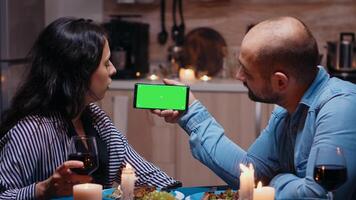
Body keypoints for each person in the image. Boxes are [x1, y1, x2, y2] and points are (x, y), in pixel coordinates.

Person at [152, 16, 356, 199]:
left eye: (246, 71)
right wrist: (192, 112)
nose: (238, 76)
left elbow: (317, 196)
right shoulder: (287, 107)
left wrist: (275, 181)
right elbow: (251, 173)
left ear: (280, 82)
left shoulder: (341, 108)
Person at [0, 17, 180, 199]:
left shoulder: (96, 118)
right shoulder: (31, 131)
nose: (113, 70)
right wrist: (41, 190)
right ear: (80, 71)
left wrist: (177, 193)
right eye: (106, 63)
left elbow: (142, 173)